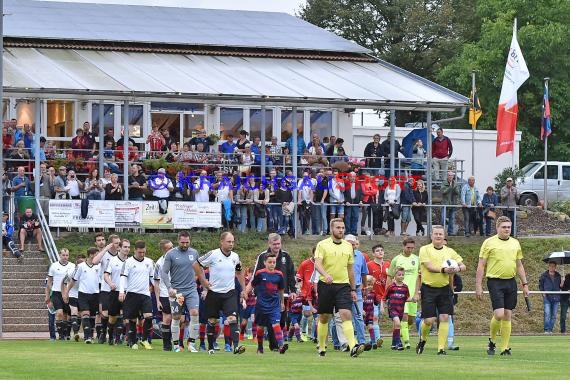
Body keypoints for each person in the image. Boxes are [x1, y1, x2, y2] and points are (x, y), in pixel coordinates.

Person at [476, 216, 530, 356]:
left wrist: (525, 284)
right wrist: (478, 285)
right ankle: (492, 340)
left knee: (508, 314)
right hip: (495, 281)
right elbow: (481, 265)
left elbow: (519, 265)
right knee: (499, 314)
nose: (507, 229)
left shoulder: (515, 243)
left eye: (509, 227)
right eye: (504, 227)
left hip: (510, 281)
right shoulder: (489, 243)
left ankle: (505, 348)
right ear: (497, 228)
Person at [313, 218, 365, 358]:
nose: (341, 230)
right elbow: (317, 264)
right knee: (324, 317)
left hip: (343, 286)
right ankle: (322, 347)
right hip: (326, 285)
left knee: (346, 314)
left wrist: (353, 289)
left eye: (342, 227)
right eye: (338, 227)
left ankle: (353, 346)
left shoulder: (348, 246)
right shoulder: (322, 245)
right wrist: (325, 274)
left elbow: (350, 270)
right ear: (331, 229)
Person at [193, 232, 246, 355]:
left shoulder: (235, 257)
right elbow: (196, 264)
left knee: (232, 319)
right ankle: (211, 347)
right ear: (221, 242)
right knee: (212, 321)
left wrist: (243, 289)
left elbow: (239, 273)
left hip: (230, 293)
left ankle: (236, 347)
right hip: (214, 293)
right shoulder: (213, 254)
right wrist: (203, 280)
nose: (231, 244)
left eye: (233, 241)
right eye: (228, 241)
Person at [416, 225, 466, 355]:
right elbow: (429, 267)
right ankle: (423, 339)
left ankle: (441, 348)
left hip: (444, 289)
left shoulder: (450, 252)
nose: (438, 236)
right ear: (431, 235)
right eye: (436, 234)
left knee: (444, 317)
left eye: (440, 234)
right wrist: (444, 270)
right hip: (428, 288)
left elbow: (463, 265)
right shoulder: (424, 250)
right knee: (429, 320)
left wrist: (458, 269)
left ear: (444, 237)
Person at [252, 233, 296, 350]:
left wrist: (293, 290)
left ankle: (277, 344)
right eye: (274, 244)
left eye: (278, 244)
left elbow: (291, 274)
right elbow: (255, 277)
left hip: (282, 293)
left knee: (281, 321)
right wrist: (256, 293)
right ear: (269, 244)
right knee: (265, 324)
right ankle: (274, 346)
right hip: (264, 296)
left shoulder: (286, 256)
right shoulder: (262, 256)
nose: (277, 246)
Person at [160, 231, 200, 352]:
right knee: (176, 317)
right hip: (177, 292)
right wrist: (169, 288)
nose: (185, 244)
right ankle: (176, 345)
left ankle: (191, 344)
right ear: (178, 241)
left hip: (191, 290)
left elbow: (199, 270)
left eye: (187, 242)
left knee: (194, 313)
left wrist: (204, 286)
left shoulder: (194, 253)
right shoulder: (171, 254)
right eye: (182, 242)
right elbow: (164, 272)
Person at [244, 252, 289, 354]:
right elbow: (252, 284)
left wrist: (282, 302)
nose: (272, 264)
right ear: (265, 262)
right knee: (260, 327)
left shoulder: (279, 275)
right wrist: (245, 293)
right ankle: (260, 347)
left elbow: (281, 289)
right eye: (270, 262)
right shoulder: (260, 273)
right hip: (261, 305)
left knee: (275, 324)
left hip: (274, 304)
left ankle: (281, 346)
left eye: (274, 262)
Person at [118, 240, 155, 350]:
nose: (142, 254)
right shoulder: (128, 262)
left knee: (149, 316)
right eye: (140, 252)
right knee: (132, 319)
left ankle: (144, 339)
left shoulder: (149, 262)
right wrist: (121, 291)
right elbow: (123, 277)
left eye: (143, 252)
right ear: (135, 250)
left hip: (145, 294)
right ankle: (132, 340)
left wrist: (158, 290)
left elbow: (153, 278)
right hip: (132, 294)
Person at [387, 237, 420, 349]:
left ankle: (401, 333)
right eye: (408, 247)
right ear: (403, 246)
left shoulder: (416, 259)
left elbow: (419, 277)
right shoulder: (397, 259)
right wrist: (388, 293)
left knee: (411, 318)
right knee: (403, 317)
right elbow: (390, 276)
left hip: (412, 294)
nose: (410, 250)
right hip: (399, 294)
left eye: (412, 248)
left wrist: (416, 293)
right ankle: (406, 342)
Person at [63, 247, 101, 344]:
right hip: (83, 294)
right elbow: (73, 280)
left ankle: (91, 335)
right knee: (85, 314)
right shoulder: (81, 266)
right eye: (97, 255)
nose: (99, 257)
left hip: (95, 294)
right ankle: (87, 337)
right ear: (91, 255)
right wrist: (67, 291)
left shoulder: (99, 266)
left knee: (92, 316)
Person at [103, 239, 130, 345]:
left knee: (127, 317)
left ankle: (123, 338)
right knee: (113, 317)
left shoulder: (131, 261)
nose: (127, 249)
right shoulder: (113, 260)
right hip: (115, 292)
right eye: (125, 247)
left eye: (128, 247)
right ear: (119, 248)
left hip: (127, 292)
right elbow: (106, 275)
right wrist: (110, 283)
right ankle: (110, 336)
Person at [344, 234, 369, 349]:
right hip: (342, 288)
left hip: (357, 288)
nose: (352, 246)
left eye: (354, 244)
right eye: (350, 244)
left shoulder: (360, 256)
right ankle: (339, 342)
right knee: (341, 317)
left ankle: (362, 341)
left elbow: (364, 272)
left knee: (358, 315)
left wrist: (365, 286)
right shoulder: (341, 255)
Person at [45, 248, 75, 340]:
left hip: (68, 293)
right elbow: (49, 282)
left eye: (67, 255)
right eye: (63, 255)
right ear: (59, 255)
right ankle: (61, 335)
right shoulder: (54, 266)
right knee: (59, 313)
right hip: (57, 293)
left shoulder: (73, 266)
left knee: (67, 315)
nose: (65, 257)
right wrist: (49, 294)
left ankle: (67, 334)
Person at [366, 244, 390, 348]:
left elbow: (391, 279)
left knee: (377, 318)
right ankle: (377, 339)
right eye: (377, 251)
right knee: (374, 317)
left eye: (381, 250)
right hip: (373, 296)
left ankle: (371, 339)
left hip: (384, 295)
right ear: (373, 253)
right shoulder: (369, 265)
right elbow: (365, 278)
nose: (380, 252)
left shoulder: (388, 264)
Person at [384, 267, 411, 350]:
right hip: (392, 309)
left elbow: (407, 298)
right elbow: (384, 298)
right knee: (398, 324)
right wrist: (382, 307)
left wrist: (414, 299)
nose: (401, 276)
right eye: (399, 275)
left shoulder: (405, 287)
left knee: (397, 326)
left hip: (400, 310)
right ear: (395, 276)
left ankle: (394, 344)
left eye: (403, 275)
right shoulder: (391, 287)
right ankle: (398, 343)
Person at [539, 261, 562, 334]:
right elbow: (540, 285)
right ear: (548, 267)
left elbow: (561, 286)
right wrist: (543, 293)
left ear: (555, 267)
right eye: (550, 266)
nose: (552, 267)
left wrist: (562, 282)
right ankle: (546, 330)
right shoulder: (544, 275)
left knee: (554, 315)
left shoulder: (559, 276)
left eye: (553, 266)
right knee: (547, 313)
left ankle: (550, 330)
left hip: (556, 297)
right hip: (547, 297)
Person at [441, 171, 460, 236]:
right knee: (443, 218)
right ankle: (442, 232)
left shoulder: (455, 183)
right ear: (447, 176)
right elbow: (443, 191)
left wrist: (453, 187)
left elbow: (457, 192)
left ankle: (450, 232)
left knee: (452, 218)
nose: (450, 177)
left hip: (453, 203)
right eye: (449, 175)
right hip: (445, 203)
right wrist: (450, 187)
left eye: (451, 175)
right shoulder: (444, 183)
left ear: (453, 176)